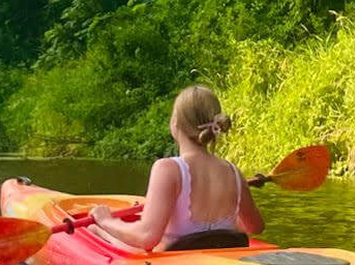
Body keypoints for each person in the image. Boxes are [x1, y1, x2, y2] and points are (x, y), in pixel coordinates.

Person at [88, 85, 264, 252]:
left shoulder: (168, 169)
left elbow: (147, 237)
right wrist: (221, 220)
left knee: (94, 230)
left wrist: (106, 220)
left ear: (175, 123)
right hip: (221, 260)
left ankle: (96, 229)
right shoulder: (233, 172)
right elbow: (255, 226)